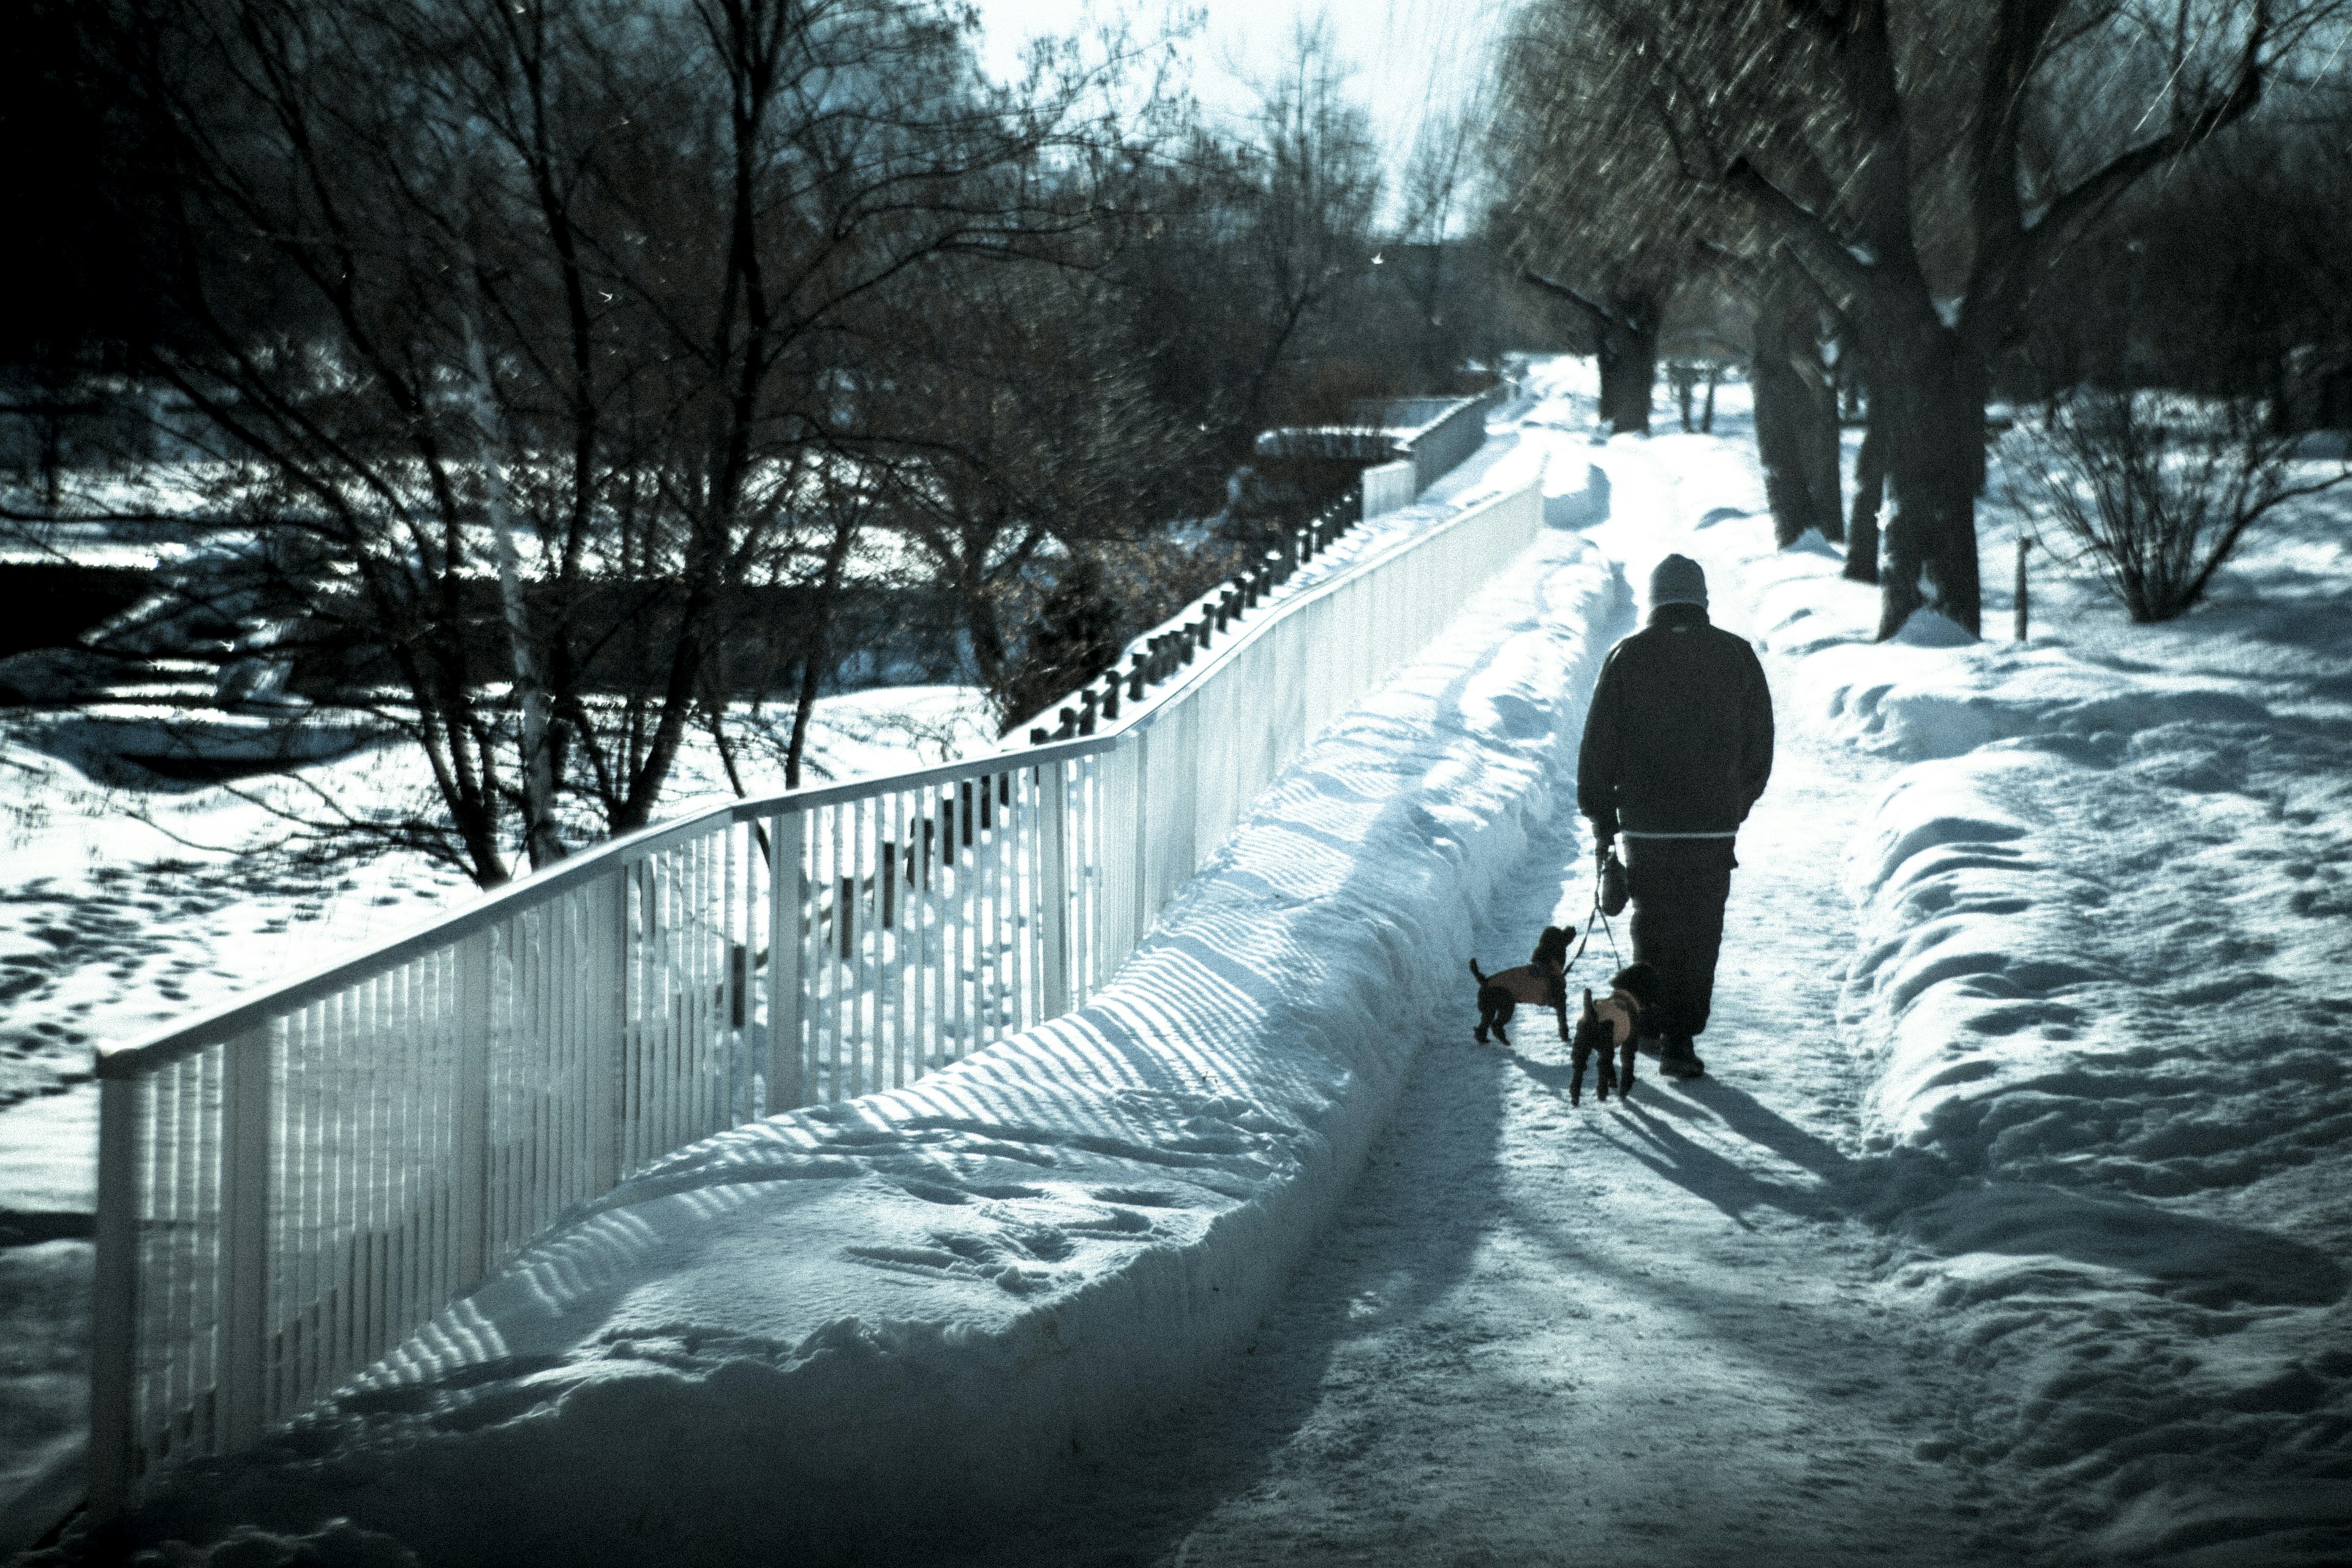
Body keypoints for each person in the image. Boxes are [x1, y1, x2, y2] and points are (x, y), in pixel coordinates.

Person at [1576, 554, 1773, 1079]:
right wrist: (1736, 804)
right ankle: (1681, 1039)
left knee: (1654, 924)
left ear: (1653, 599)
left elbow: (1599, 748)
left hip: (1647, 825)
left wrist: (1603, 824)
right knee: (1701, 929)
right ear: (1701, 599)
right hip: (1712, 826)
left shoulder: (1629, 656)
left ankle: (1653, 1022)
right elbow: (1760, 746)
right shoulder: (1737, 656)